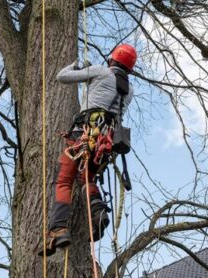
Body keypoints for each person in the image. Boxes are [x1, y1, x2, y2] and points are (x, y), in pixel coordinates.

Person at [43, 44, 137, 256]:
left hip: (84, 135)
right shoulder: (129, 90)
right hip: (105, 143)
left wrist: (77, 65)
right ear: (129, 69)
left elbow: (62, 76)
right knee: (86, 179)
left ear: (112, 60)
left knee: (65, 180)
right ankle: (97, 210)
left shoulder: (101, 71)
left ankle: (58, 229)